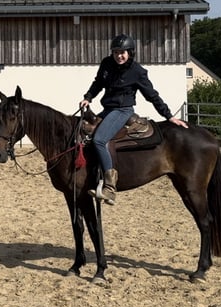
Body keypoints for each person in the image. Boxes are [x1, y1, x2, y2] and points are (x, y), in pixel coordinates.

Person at [79, 34, 188, 205]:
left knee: (100, 140)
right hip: (107, 109)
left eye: (122, 52)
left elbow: (152, 96)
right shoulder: (107, 64)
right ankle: (92, 176)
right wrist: (88, 97)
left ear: (130, 52)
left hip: (122, 111)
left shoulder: (137, 71)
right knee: (84, 132)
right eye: (116, 52)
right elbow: (98, 83)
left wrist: (169, 116)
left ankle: (109, 187)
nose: (119, 56)